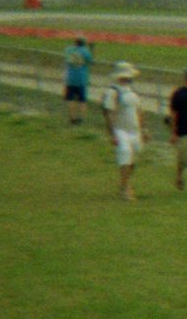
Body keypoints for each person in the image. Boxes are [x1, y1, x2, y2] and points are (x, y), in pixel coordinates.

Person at [99, 63, 145, 200]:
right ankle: (126, 189)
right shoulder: (113, 92)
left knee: (133, 157)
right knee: (125, 152)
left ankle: (124, 183)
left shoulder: (132, 92)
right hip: (121, 130)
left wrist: (144, 129)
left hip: (134, 130)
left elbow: (139, 111)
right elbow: (109, 113)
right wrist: (112, 133)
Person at [62, 34, 94, 124]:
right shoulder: (85, 51)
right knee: (82, 101)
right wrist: (90, 49)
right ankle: (81, 119)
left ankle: (72, 118)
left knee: (70, 99)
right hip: (82, 79)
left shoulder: (68, 50)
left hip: (70, 78)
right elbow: (90, 61)